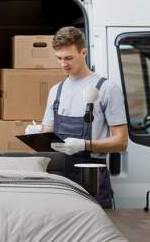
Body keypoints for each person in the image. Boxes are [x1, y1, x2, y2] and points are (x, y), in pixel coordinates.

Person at [41, 26, 128, 208]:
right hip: (60, 176)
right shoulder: (56, 91)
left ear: (84, 52)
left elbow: (121, 142)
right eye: (59, 58)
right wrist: (38, 136)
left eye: (69, 58)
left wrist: (85, 144)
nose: (63, 64)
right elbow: (47, 133)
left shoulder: (106, 88)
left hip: (92, 177)